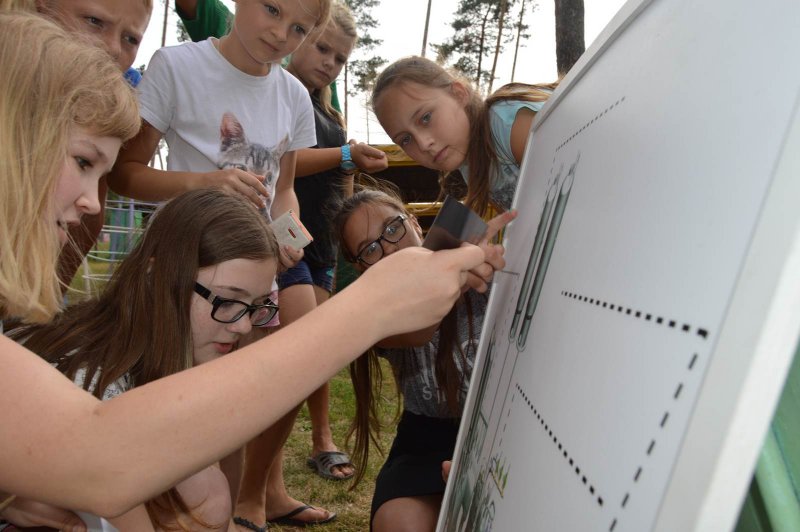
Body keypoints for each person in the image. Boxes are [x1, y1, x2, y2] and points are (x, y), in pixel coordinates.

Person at [0, 9, 490, 521]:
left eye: (303, 29)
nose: (92, 203)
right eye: (82, 162)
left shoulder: (291, 96)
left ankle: (252, 494)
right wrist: (371, 307)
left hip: (261, 253)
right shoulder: (180, 67)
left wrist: (284, 238)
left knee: (207, 487)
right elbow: (100, 458)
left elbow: (284, 189)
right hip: (194, 257)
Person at [7, 189, 281, 531]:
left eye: (256, 305)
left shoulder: (164, 358)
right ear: (156, 279)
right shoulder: (91, 384)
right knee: (203, 494)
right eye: (227, 300)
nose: (242, 325)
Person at [334, 187, 515, 532]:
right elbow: (416, 328)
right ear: (360, 268)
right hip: (426, 440)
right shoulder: (372, 312)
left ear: (415, 223)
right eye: (370, 249)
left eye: (392, 229)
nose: (388, 249)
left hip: (500, 428)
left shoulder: (478, 265)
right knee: (398, 523)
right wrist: (453, 279)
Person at [29, 0, 154, 288]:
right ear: (41, 6)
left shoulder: (122, 90)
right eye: (94, 21)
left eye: (130, 39)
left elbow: (88, 224)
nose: (112, 49)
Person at [371, 55, 558, 217]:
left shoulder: (505, 123)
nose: (423, 144)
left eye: (425, 118)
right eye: (405, 139)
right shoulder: (470, 166)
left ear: (459, 94)